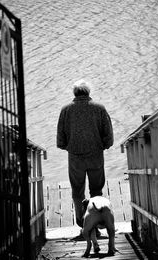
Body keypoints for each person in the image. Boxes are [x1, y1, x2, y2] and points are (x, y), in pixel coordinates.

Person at [56, 79, 114, 229]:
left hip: (75, 158)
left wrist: (70, 146)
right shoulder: (99, 108)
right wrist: (104, 145)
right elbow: (108, 135)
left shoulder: (66, 110)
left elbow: (60, 140)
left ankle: (82, 222)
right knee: (96, 190)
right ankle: (98, 221)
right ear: (88, 92)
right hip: (95, 156)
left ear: (74, 93)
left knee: (77, 191)